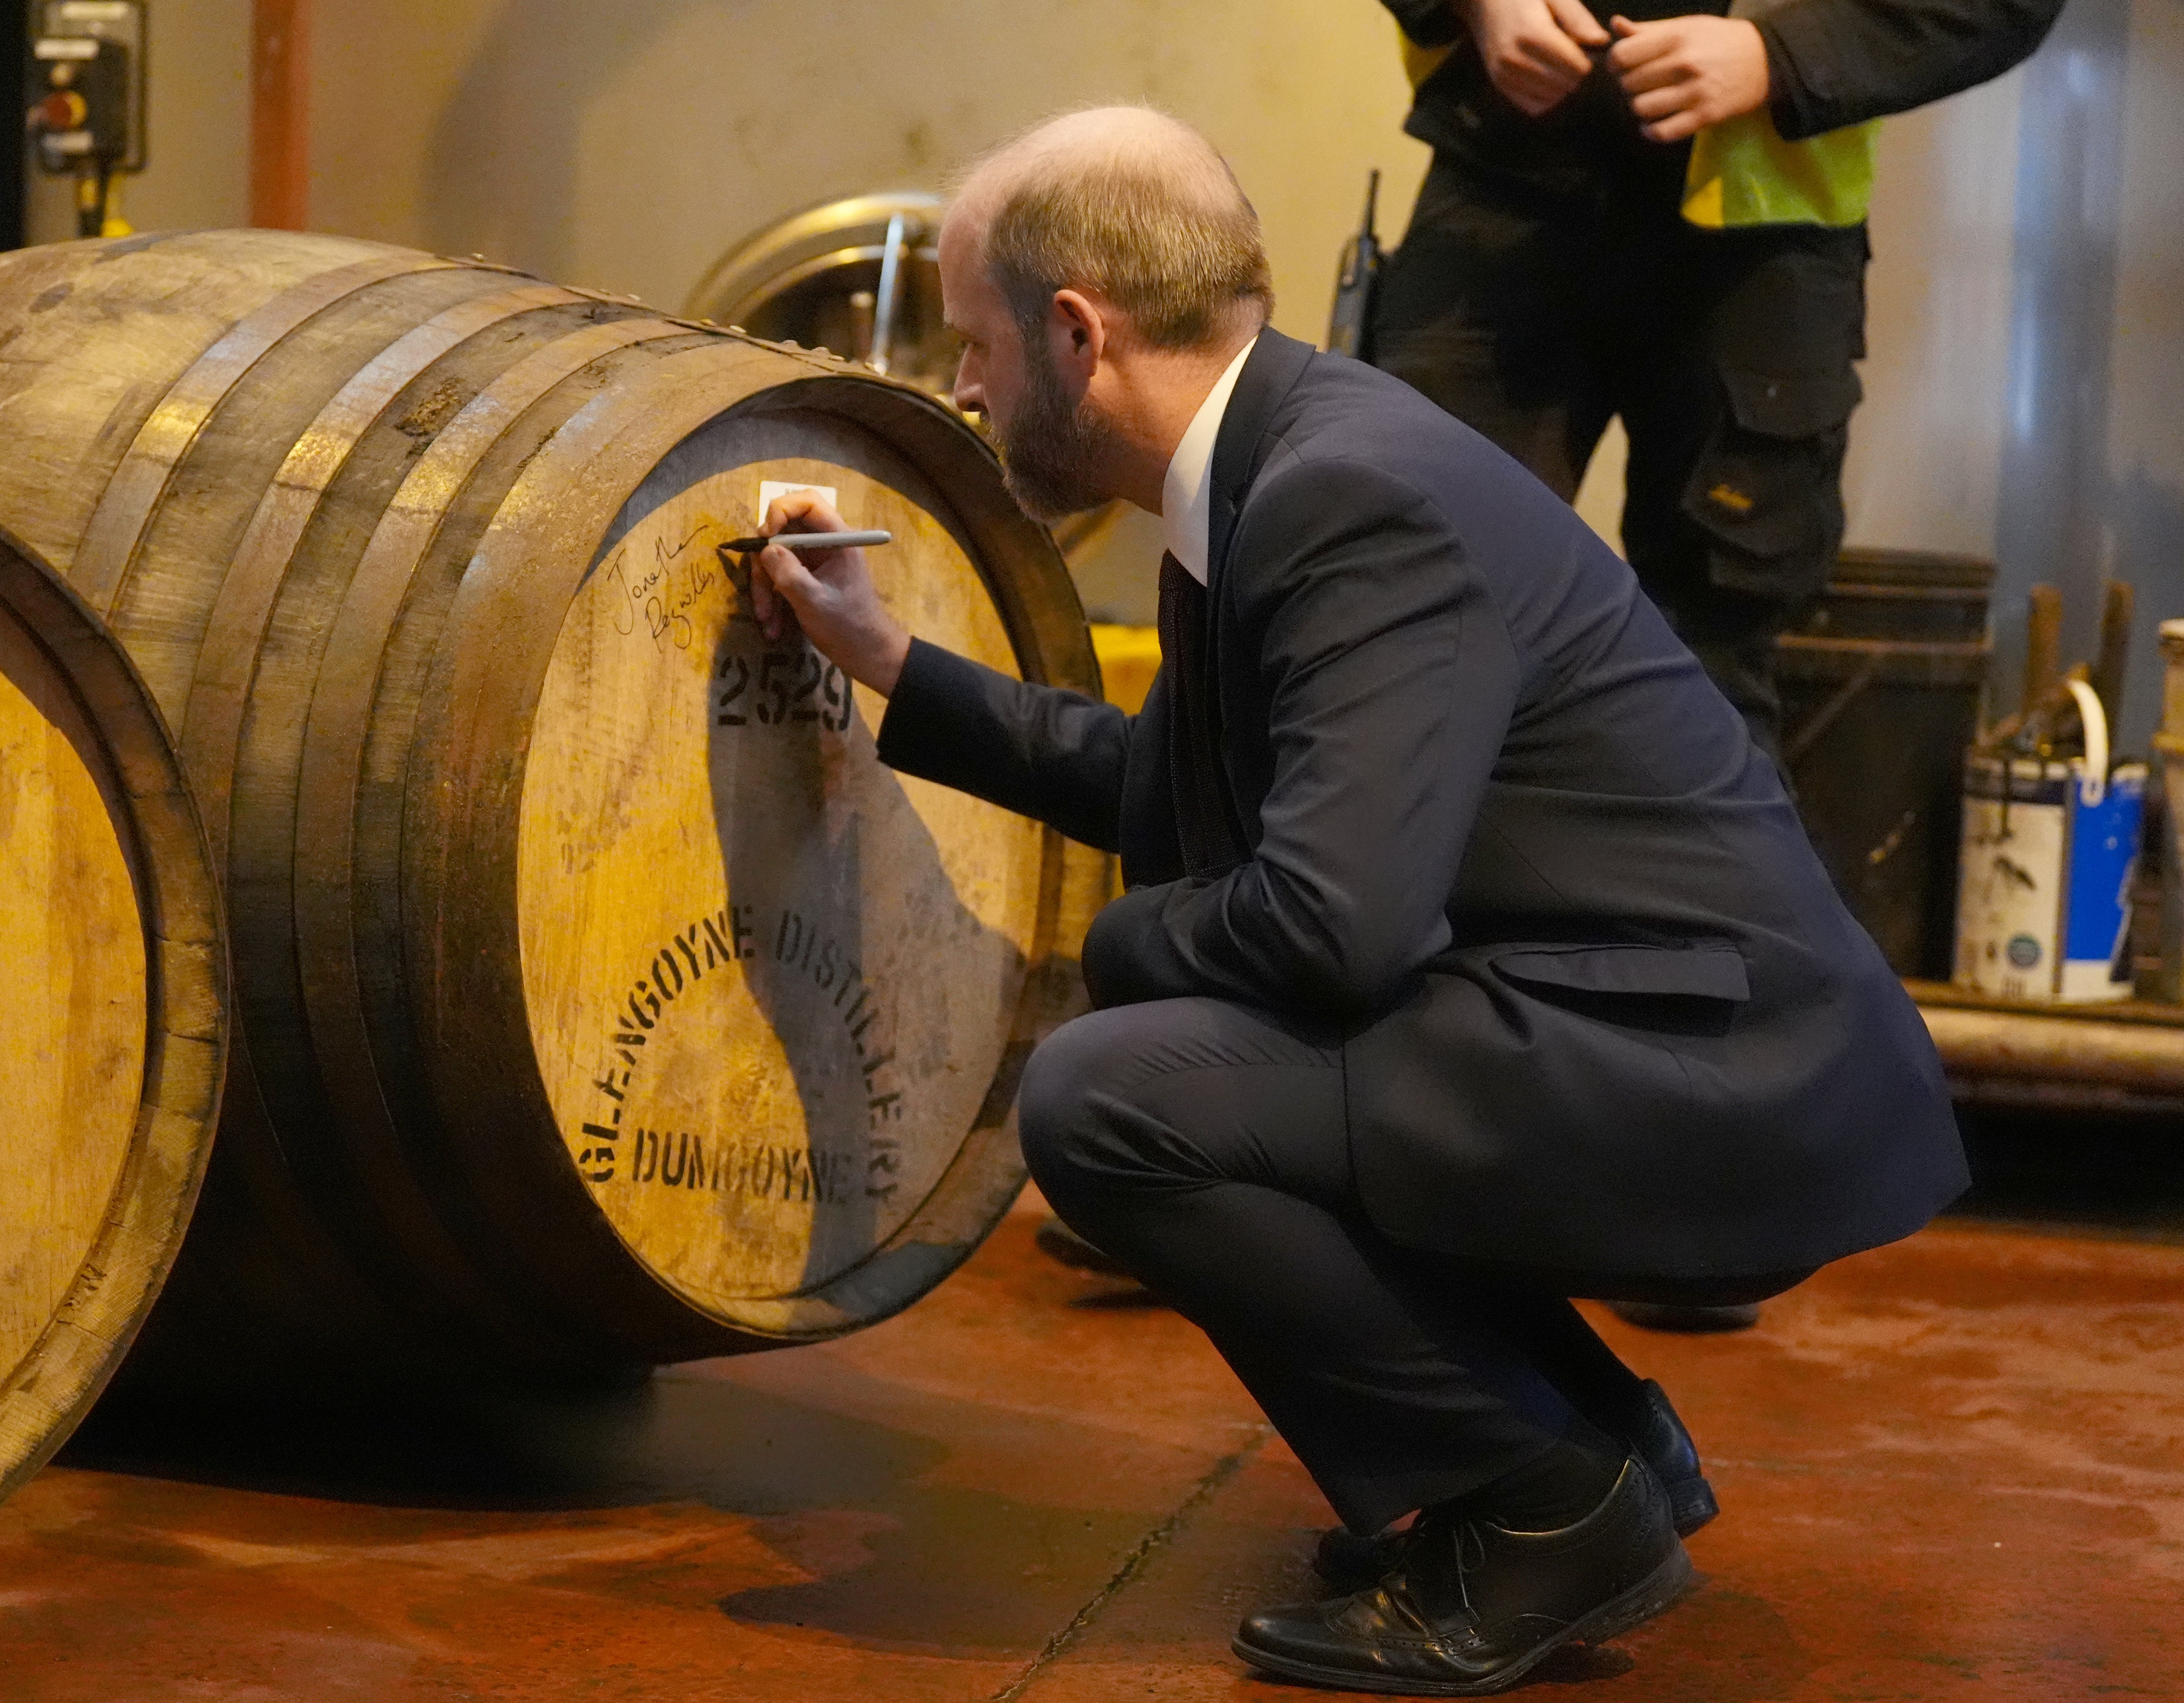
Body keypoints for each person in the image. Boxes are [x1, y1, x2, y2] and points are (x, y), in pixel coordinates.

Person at [741, 106, 1964, 1695]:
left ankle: (1541, 1511)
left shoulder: (1339, 495)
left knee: (1117, 1094)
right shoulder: (1270, 460)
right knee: (1192, 1047)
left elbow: (1337, 927)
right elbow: (1172, 786)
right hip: (1623, 1019)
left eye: (972, 344)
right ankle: (1595, 1449)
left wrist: (1119, 953)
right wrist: (890, 660)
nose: (961, 389)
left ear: (1074, 333)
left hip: (1716, 1073)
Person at [1370, 0, 2063, 762]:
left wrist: (1781, 57)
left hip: (1761, 247)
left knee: (1710, 682)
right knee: (1414, 626)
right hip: (1499, 190)